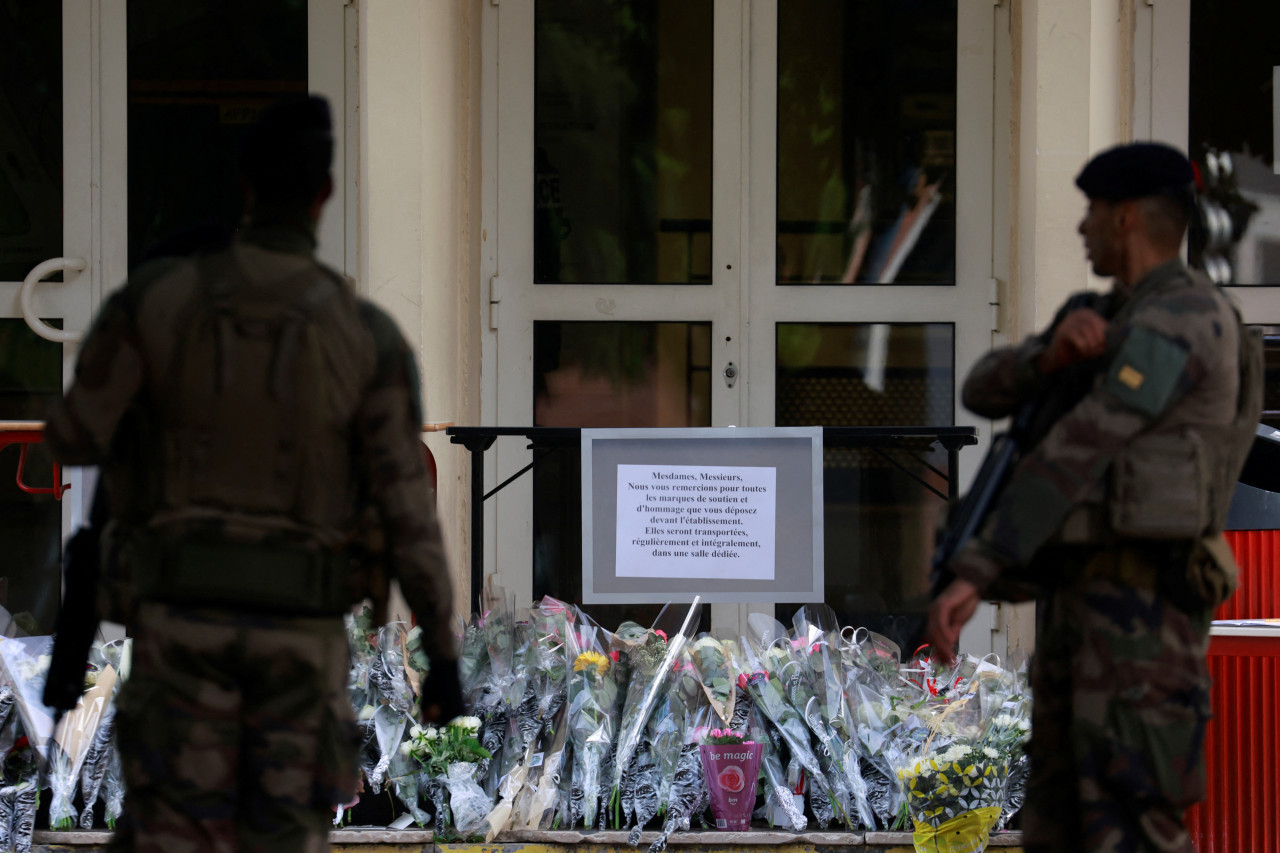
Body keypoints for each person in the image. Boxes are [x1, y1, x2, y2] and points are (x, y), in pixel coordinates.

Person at [45, 95, 464, 853]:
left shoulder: (164, 300)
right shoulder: (365, 336)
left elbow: (73, 434)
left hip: (180, 637)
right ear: (323, 194)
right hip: (298, 652)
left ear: (244, 184)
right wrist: (442, 656)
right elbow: (410, 517)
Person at [925, 141, 1261, 853]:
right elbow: (983, 388)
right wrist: (1047, 357)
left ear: (1129, 218)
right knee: (1059, 826)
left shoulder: (1187, 317)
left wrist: (978, 568)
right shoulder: (1098, 315)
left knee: (1131, 827)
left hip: (1144, 625)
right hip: (1079, 613)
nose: (1081, 228)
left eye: (1093, 212)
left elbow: (1087, 440)